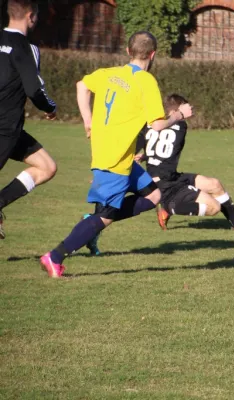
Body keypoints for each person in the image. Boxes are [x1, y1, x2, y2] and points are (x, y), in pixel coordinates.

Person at [39, 31, 193, 278]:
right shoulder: (146, 81)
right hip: (113, 160)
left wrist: (87, 120)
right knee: (106, 217)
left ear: (128, 51)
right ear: (153, 54)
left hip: (121, 157)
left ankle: (95, 219)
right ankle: (55, 256)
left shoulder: (108, 73)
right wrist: (179, 115)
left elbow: (81, 86)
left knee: (154, 195)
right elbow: (157, 125)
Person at [134, 94, 234, 232]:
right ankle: (169, 207)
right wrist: (180, 115)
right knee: (214, 208)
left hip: (169, 176)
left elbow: (162, 146)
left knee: (215, 184)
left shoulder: (152, 125)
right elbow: (168, 143)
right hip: (165, 184)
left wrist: (145, 155)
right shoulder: (180, 126)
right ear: (176, 110)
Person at [0, 0, 57, 240]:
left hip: (11, 131)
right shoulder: (26, 47)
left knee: (47, 167)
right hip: (5, 128)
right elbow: (34, 89)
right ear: (31, 16)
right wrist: (50, 107)